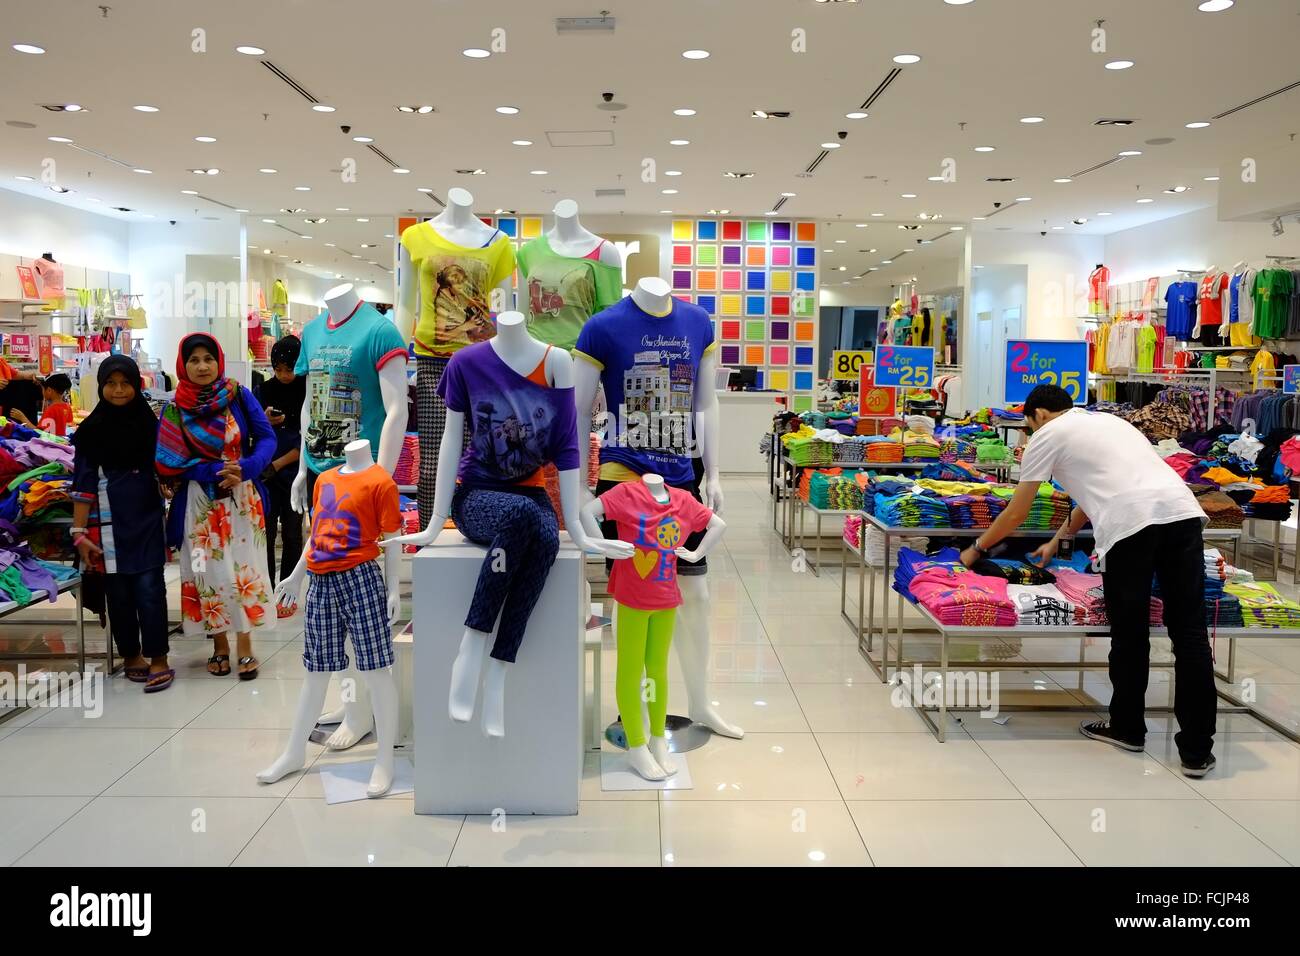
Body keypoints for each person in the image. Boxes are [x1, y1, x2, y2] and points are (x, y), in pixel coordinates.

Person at [958, 384, 1216, 778]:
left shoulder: (1047, 434)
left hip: (1131, 528)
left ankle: (1128, 728)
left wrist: (976, 548)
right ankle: (1197, 752)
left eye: (1028, 425)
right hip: (1182, 515)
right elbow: (1098, 489)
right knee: (1191, 634)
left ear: (1038, 415)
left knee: (1131, 634)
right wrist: (1059, 537)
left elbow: (1016, 511)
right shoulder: (1110, 422)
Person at [155, 333, 275, 679]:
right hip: (199, 505)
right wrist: (211, 469)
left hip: (241, 501)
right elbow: (167, 461)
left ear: (218, 361)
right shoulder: (174, 408)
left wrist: (247, 468)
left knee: (244, 570)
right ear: (183, 365)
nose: (202, 366)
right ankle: (219, 643)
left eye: (209, 358)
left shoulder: (238, 395)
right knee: (205, 570)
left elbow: (266, 437)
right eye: (194, 360)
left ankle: (246, 644)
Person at [69, 356, 172, 691]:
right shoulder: (90, 432)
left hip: (146, 519)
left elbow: (167, 467)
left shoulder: (150, 425)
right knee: (120, 595)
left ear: (136, 386)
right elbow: (82, 486)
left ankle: (158, 658)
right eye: (110, 384)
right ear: (100, 387)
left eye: (125, 383)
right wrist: (79, 533)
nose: (118, 390)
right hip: (109, 524)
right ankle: (131, 655)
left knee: (150, 590)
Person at [255, 336, 306, 597]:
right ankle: (267, 589)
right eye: (279, 369)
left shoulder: (307, 388)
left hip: (295, 470)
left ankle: (287, 589)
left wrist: (278, 464)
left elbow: (309, 437)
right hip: (268, 473)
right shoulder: (264, 390)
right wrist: (265, 421)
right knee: (266, 532)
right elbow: (253, 430)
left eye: (290, 369)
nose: (284, 375)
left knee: (292, 533)